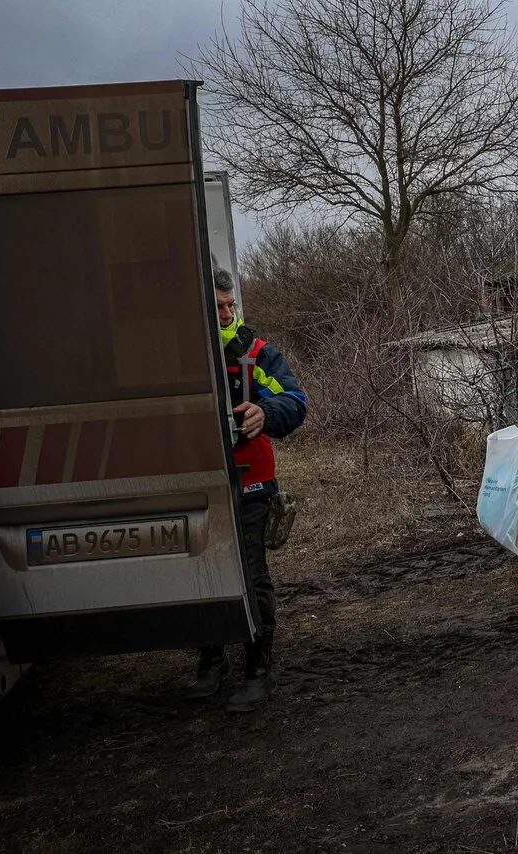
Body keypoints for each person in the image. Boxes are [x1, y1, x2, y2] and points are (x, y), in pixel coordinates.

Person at [186, 267, 308, 712]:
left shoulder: (256, 351)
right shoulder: (177, 353)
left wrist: (265, 412)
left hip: (251, 480)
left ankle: (257, 669)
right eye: (216, 306)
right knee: (201, 574)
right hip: (196, 482)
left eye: (229, 304)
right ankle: (210, 660)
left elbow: (296, 402)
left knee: (252, 573)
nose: (226, 313)